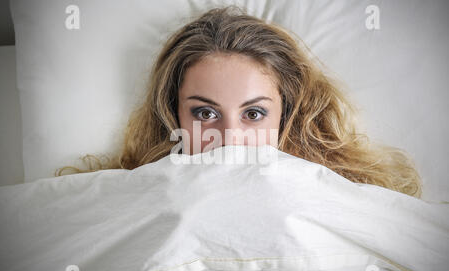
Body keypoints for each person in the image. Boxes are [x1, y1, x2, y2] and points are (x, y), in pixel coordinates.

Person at [57, 5, 422, 198]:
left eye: (253, 113)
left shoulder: (346, 200)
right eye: (205, 112)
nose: (230, 138)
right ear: (174, 116)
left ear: (287, 115)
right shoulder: (118, 198)